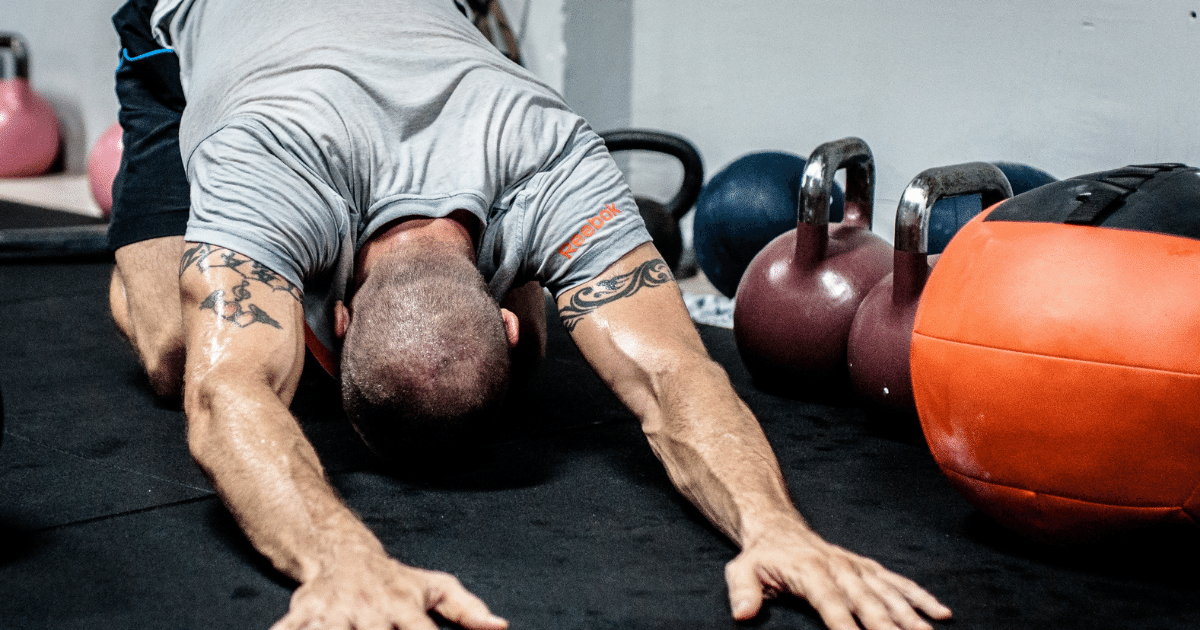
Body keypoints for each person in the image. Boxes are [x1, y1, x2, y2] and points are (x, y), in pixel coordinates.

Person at [106, 1, 954, 629]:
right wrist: (340, 561)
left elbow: (674, 375)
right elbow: (222, 396)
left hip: (414, 38)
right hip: (187, 28)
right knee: (179, 355)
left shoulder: (549, 148)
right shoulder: (264, 154)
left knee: (260, 355)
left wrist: (779, 532)